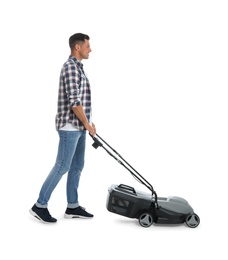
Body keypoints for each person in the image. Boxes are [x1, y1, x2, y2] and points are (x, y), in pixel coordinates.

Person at [29, 33, 96, 223]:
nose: (90, 49)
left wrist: (88, 124)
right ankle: (39, 206)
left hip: (79, 126)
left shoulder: (78, 68)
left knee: (77, 166)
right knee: (62, 166)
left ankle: (72, 206)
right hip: (70, 126)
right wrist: (86, 124)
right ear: (77, 47)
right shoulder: (71, 68)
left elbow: (81, 100)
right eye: (87, 46)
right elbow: (74, 103)